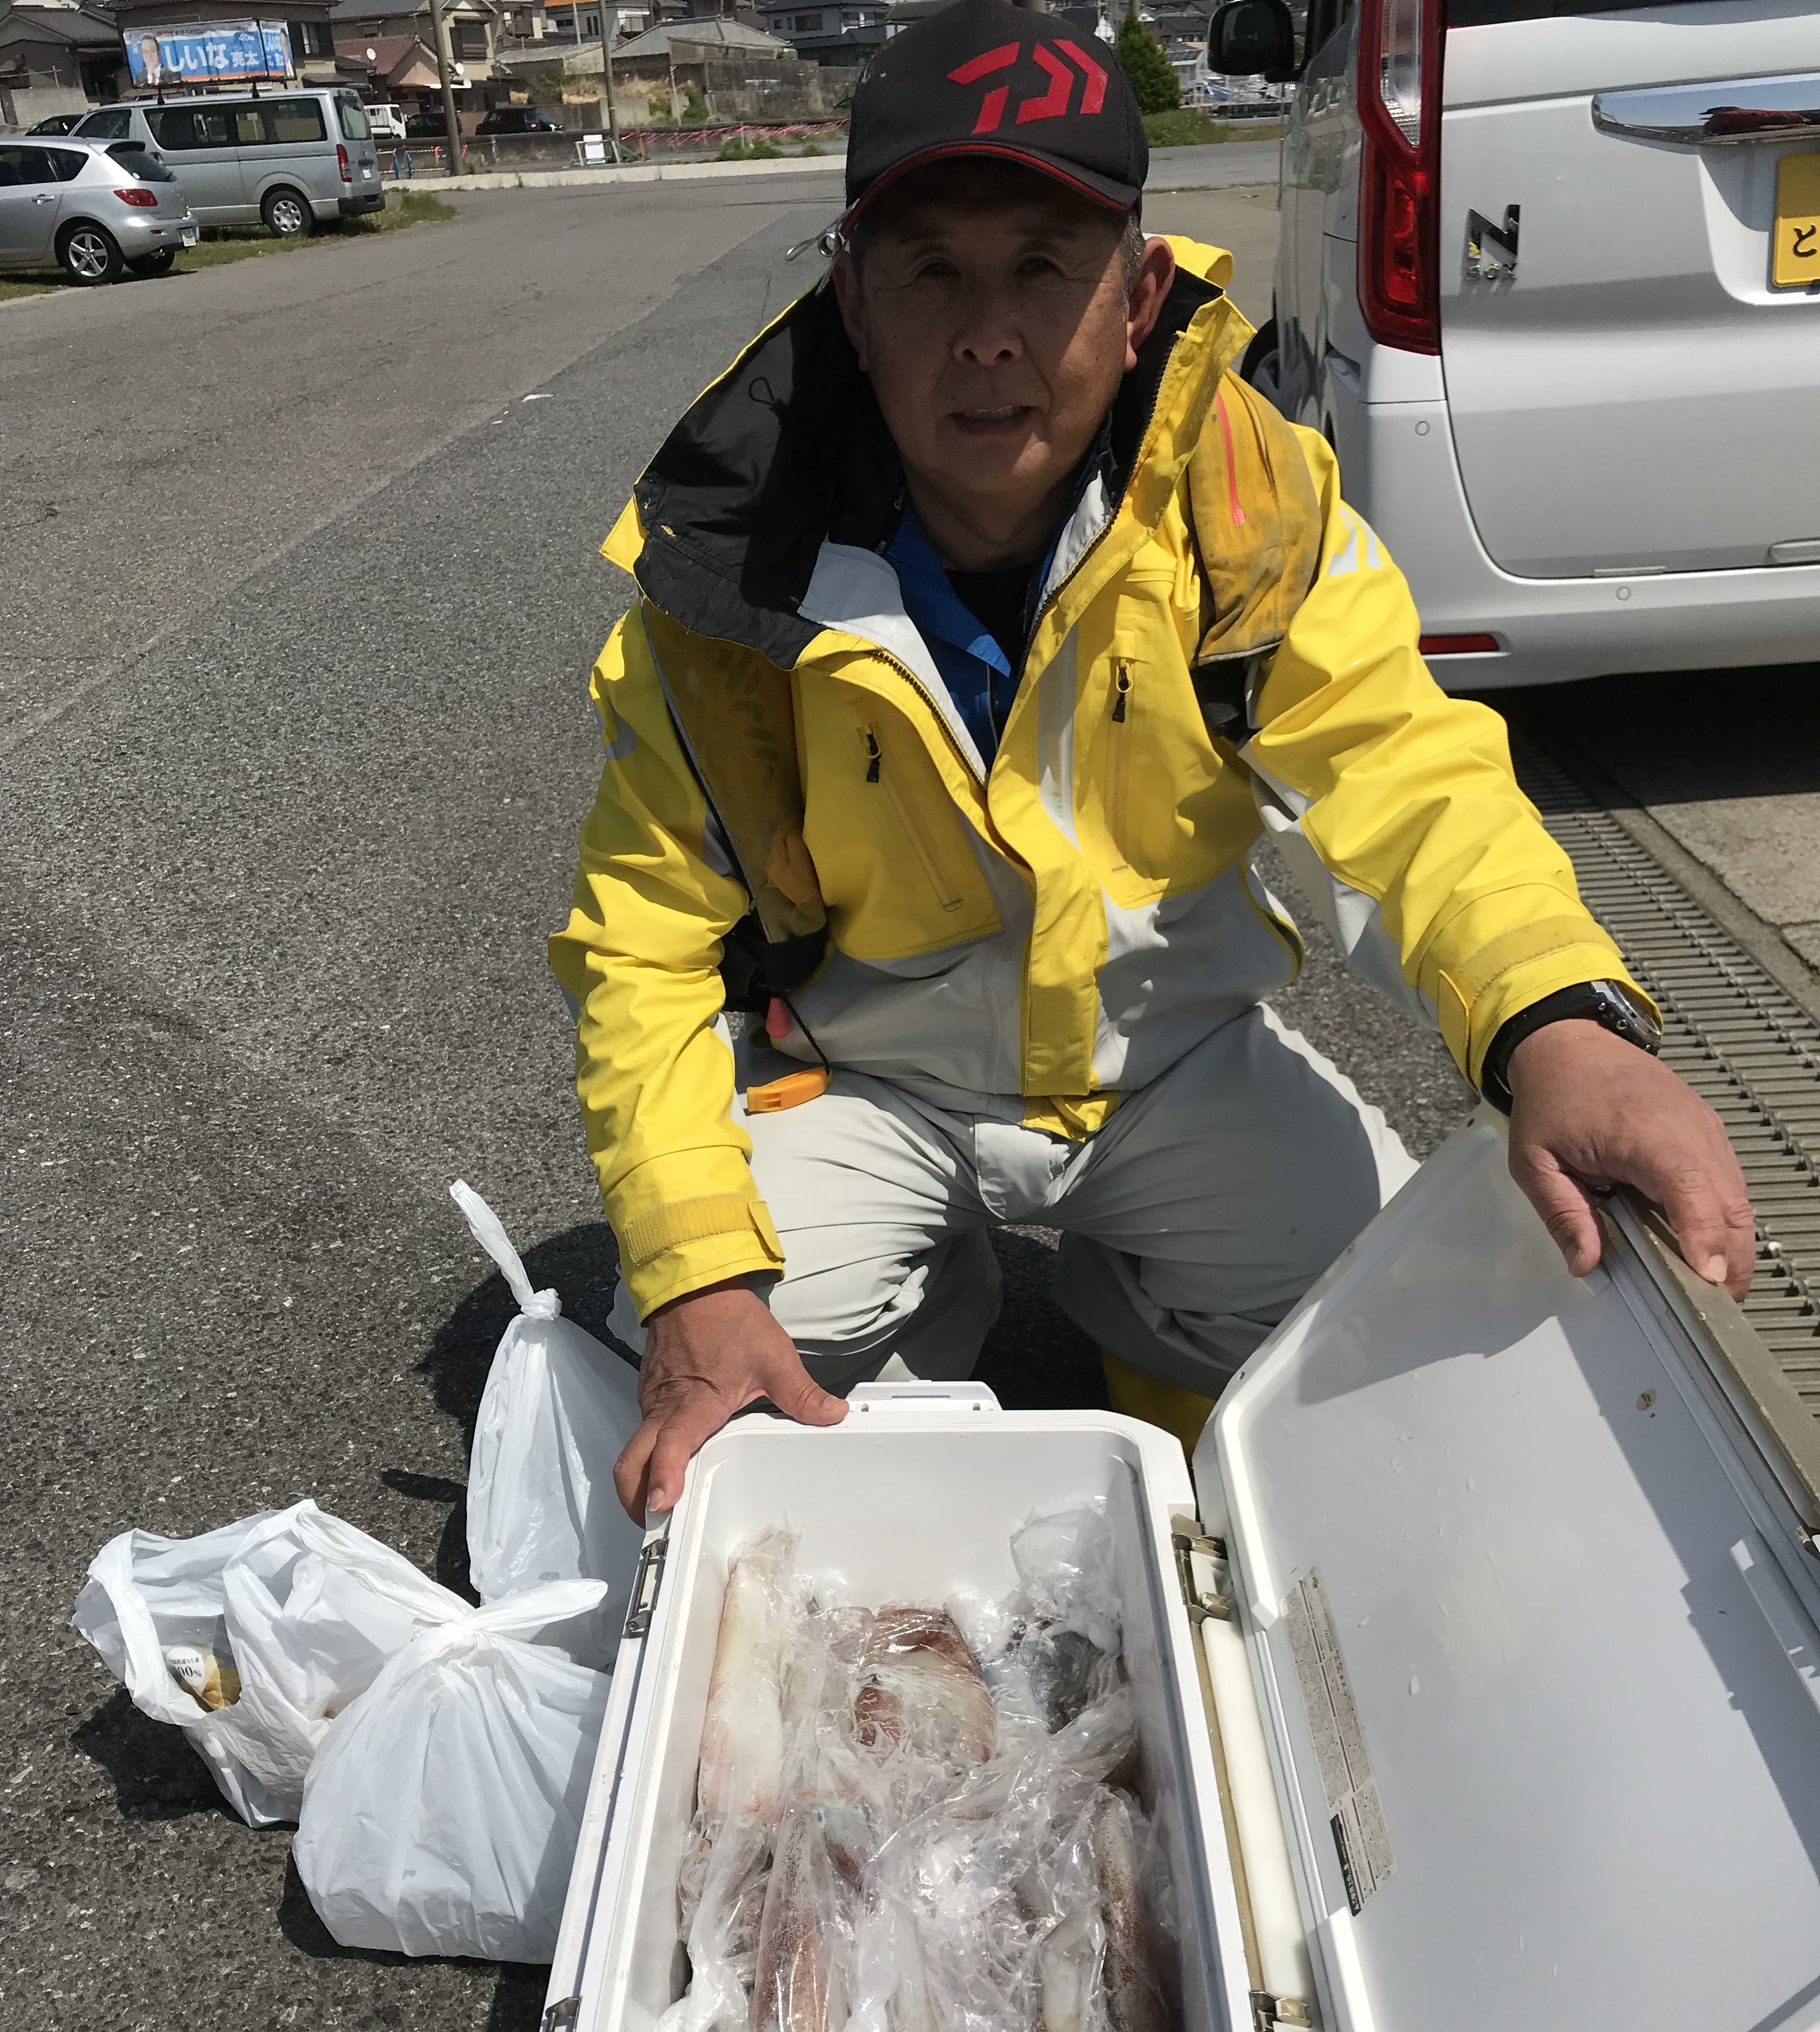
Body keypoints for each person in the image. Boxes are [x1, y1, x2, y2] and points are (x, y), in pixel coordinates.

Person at [551, 0, 1752, 1523]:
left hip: (1165, 1065)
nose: (989, 332)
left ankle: (1158, 1346)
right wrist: (694, 1269)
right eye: (931, 269)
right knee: (710, 1362)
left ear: (1137, 298)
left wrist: (1562, 1023)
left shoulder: (1249, 508)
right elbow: (642, 946)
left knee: (1388, 1321)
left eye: (1044, 265)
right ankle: (923, 1323)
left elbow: (1413, 780)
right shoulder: (729, 571)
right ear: (852, 303)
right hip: (860, 1075)